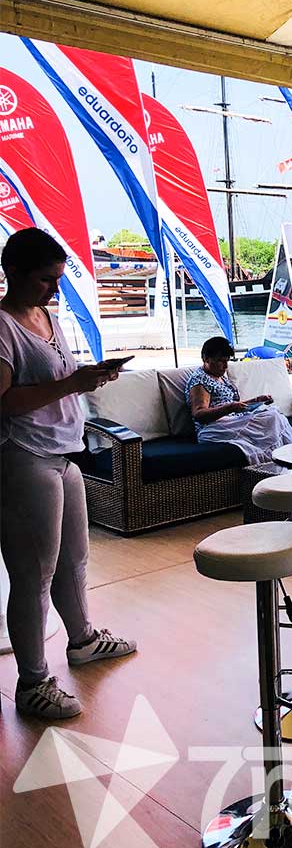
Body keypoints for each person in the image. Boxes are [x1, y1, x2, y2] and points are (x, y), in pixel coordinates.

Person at [0, 229, 137, 719]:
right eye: (45, 279)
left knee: (74, 561)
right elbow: (4, 401)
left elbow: (61, 377)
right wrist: (71, 384)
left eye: (58, 278)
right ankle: (33, 682)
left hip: (63, 453)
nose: (54, 289)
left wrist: (89, 377)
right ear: (12, 272)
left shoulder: (47, 318)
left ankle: (82, 639)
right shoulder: (3, 327)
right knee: (31, 576)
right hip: (23, 457)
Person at [185, 336, 292, 467]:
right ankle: (282, 462)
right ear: (206, 358)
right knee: (272, 417)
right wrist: (229, 408)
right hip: (214, 428)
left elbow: (233, 405)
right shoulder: (200, 380)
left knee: (274, 414)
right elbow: (199, 414)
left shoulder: (219, 377)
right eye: (221, 361)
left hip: (232, 421)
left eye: (227, 361)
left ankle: (287, 461)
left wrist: (255, 400)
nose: (226, 366)